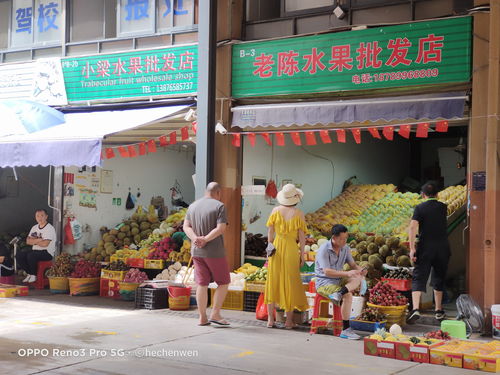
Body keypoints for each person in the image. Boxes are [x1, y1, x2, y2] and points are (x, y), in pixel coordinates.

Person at [183, 182, 231, 327]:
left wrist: (195, 239)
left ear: (206, 192)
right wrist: (205, 239)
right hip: (214, 251)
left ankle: (202, 317)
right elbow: (221, 228)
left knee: (201, 283)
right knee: (223, 282)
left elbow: (186, 226)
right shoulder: (219, 206)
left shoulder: (193, 206)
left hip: (196, 251)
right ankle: (215, 314)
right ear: (218, 193)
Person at [265, 184, 309, 329]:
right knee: (290, 282)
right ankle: (288, 321)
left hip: (276, 247)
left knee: (273, 282)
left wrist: (269, 247)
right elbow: (302, 237)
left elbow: (270, 232)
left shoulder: (275, 210)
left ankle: (271, 320)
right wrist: (302, 254)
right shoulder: (299, 214)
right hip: (291, 248)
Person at [406, 181, 451, 324]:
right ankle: (439, 311)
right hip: (443, 248)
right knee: (439, 277)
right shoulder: (443, 207)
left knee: (419, 276)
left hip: (426, 248)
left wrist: (412, 248)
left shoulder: (420, 208)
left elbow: (413, 227)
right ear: (437, 194)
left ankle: (416, 309)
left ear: (423, 195)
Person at [315, 224, 367, 340]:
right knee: (348, 295)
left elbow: (352, 264)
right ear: (334, 237)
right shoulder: (324, 249)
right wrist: (347, 273)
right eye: (342, 239)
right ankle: (346, 330)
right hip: (325, 283)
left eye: (346, 238)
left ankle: (338, 293)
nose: (345, 241)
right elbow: (327, 272)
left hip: (338, 280)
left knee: (358, 278)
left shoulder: (345, 248)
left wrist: (361, 270)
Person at [16, 209, 56, 283]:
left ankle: (34, 275)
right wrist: (39, 240)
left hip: (47, 253)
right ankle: (29, 273)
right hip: (35, 251)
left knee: (31, 255)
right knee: (19, 255)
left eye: (42, 216)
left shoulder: (49, 228)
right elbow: (28, 241)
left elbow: (45, 244)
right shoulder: (34, 227)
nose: (40, 218)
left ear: (46, 217)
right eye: (37, 216)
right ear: (35, 217)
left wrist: (34, 241)